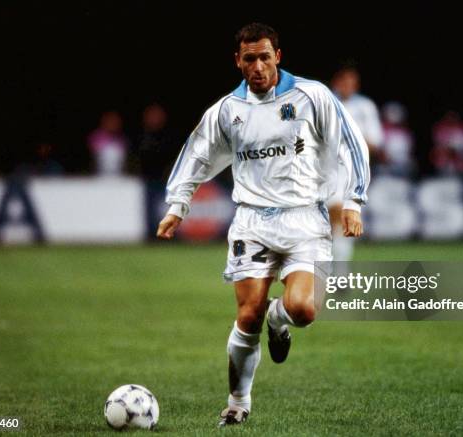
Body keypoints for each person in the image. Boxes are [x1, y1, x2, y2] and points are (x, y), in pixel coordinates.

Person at [157, 23, 370, 427]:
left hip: (306, 218)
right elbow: (197, 153)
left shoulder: (312, 96)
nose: (258, 66)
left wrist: (355, 201)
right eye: (249, 58)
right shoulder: (227, 110)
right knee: (248, 315)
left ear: (278, 57)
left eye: (265, 57)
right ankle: (238, 402)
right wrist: (177, 204)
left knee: (303, 310)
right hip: (252, 222)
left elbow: (350, 143)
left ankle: (280, 319)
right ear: (238, 60)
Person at [329, 67, 382, 261]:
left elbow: (375, 142)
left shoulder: (365, 107)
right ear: (336, 82)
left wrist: (352, 142)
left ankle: (339, 268)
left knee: (342, 215)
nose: (348, 86)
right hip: (326, 167)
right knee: (328, 219)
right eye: (345, 81)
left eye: (353, 82)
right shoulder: (326, 102)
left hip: (352, 170)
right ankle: (332, 268)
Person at [87, 111, 129, 176]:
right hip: (98, 174)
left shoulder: (122, 139)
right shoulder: (96, 137)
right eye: (111, 121)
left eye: (115, 122)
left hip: (119, 175)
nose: (113, 124)